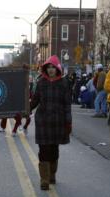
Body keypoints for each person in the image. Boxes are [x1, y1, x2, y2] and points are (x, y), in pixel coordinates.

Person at [30, 55, 72, 190]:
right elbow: (35, 100)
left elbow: (67, 104)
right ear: (45, 69)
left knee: (54, 149)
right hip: (43, 120)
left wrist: (68, 122)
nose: (50, 70)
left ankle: (52, 174)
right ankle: (44, 179)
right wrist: (26, 109)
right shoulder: (41, 82)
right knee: (43, 150)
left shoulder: (64, 83)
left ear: (57, 68)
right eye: (48, 68)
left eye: (53, 67)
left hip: (58, 121)